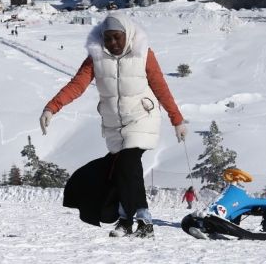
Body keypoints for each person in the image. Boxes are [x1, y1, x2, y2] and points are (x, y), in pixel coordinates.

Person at [40, 13, 187, 238]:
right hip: (114, 125)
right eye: (107, 39)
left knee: (128, 161)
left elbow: (161, 88)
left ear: (127, 35)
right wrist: (52, 107)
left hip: (142, 117)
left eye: (117, 37)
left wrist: (176, 119)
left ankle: (143, 221)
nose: (112, 43)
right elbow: (77, 85)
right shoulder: (96, 58)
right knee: (122, 170)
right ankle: (126, 220)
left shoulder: (143, 53)